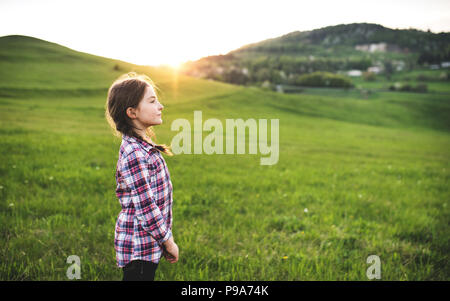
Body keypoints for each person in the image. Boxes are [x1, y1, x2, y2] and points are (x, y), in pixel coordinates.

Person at [105, 72, 179, 281]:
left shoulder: (142, 147)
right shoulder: (135, 154)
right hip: (139, 247)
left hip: (146, 244)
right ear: (132, 112)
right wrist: (168, 241)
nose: (160, 106)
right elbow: (146, 207)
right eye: (152, 101)